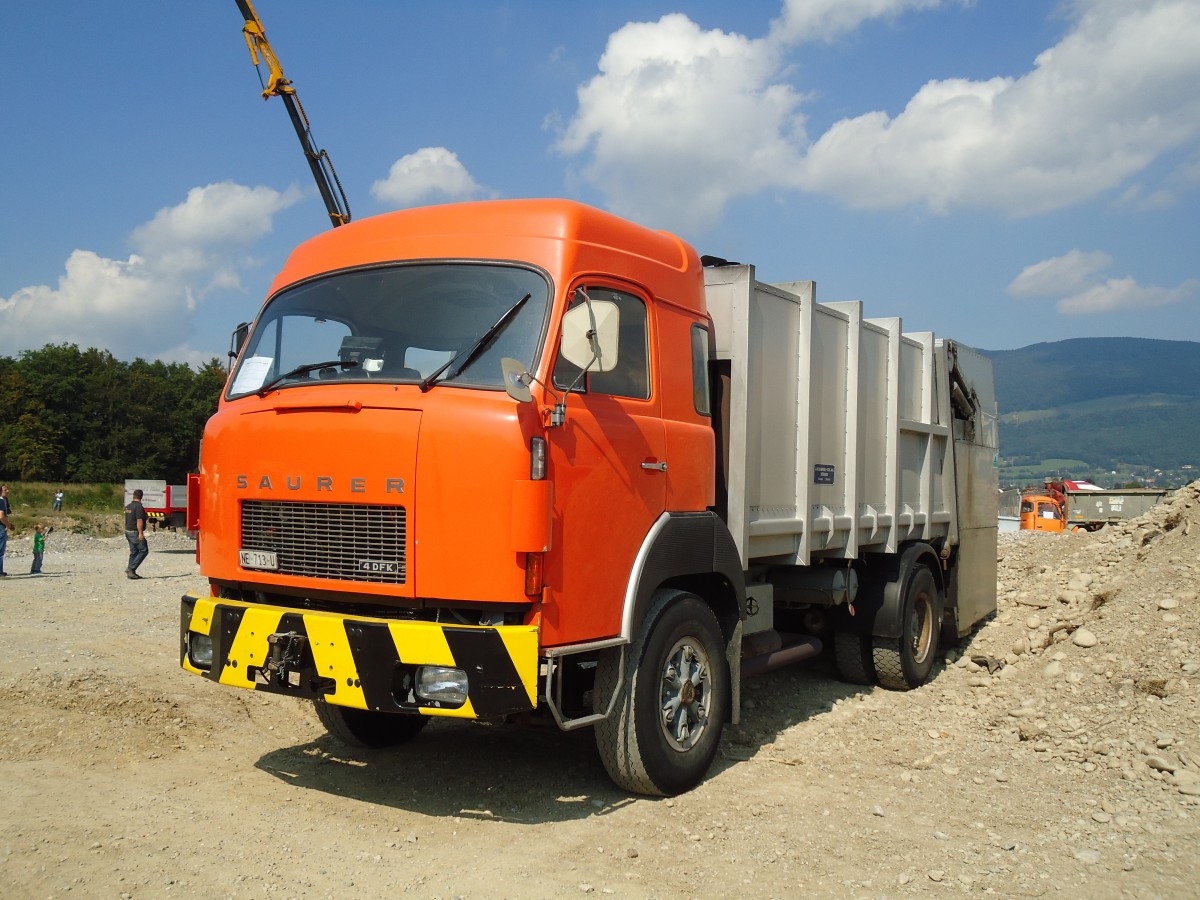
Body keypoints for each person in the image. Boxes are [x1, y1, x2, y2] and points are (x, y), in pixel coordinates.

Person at [124, 488, 149, 579]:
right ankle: (131, 569)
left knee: (134, 551)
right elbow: (139, 521)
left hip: (128, 531)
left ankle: (131, 571)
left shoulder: (129, 506)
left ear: (134, 496)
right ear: (141, 497)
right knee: (144, 550)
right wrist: (141, 533)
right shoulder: (139, 507)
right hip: (135, 532)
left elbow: (131, 518)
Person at [0, 485, 12, 577]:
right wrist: (9, 525)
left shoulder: (5, 500)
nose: (7, 491)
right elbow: (1, 516)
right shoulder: (1, 501)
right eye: (5, 489)